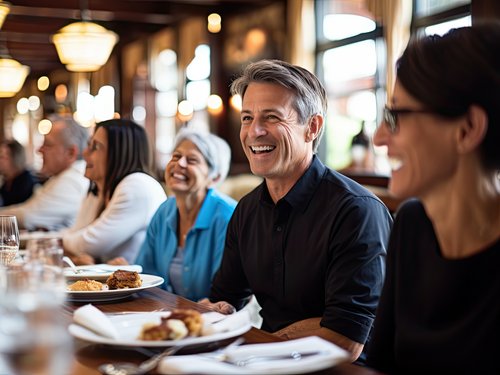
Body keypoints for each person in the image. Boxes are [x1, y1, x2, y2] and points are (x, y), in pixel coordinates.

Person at [200, 59, 393, 362]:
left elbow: (346, 339)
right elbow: (225, 297)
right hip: (265, 361)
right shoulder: (247, 210)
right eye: (247, 118)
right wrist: (209, 313)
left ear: (312, 127)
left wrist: (260, 349)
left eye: (272, 117)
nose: (255, 132)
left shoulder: (356, 212)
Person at [366, 24, 500, 375]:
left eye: (396, 117)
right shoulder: (412, 224)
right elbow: (380, 365)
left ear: (467, 129)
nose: (379, 138)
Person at [109, 128, 237, 301]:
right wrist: (129, 275)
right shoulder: (164, 212)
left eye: (192, 160)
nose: (180, 164)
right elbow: (148, 275)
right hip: (168, 313)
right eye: (176, 156)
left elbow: (227, 291)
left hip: (216, 319)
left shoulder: (228, 217)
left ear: (214, 178)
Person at [62, 119, 166, 264]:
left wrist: (59, 242)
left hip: (141, 283)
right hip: (115, 282)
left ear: (120, 153)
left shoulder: (137, 185)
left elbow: (89, 244)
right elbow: (76, 235)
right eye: (89, 145)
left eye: (95, 147)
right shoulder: (100, 187)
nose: (85, 153)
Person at [0, 115, 89, 231]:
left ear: (71, 152)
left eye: (47, 145)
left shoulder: (71, 181)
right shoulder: (62, 177)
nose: (39, 150)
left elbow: (27, 217)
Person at [0, 139, 38, 206]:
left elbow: (25, 211)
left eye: (2, 157)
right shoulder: (6, 182)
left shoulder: (26, 182)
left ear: (15, 158)